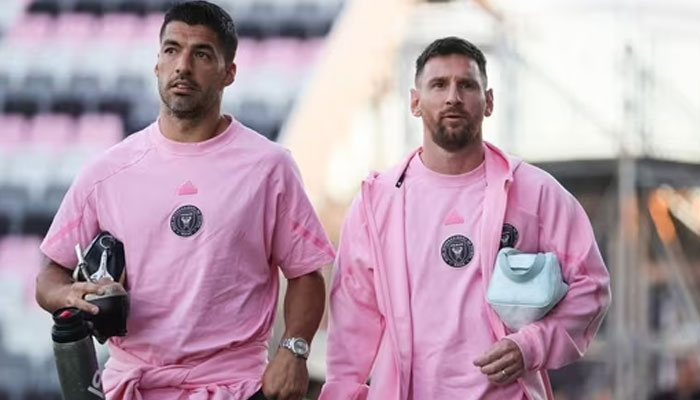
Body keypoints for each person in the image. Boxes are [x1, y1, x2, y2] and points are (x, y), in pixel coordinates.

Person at [35, 2, 334, 399]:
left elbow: (306, 275)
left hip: (235, 387)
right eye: (172, 50)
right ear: (157, 63)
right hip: (132, 386)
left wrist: (294, 350)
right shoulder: (107, 172)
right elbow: (49, 278)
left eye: (202, 54)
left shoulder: (269, 166)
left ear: (229, 73)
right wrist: (70, 294)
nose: (183, 65)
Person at [319, 37, 611, 400]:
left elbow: (592, 286)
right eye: (438, 85)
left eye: (467, 85)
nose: (452, 97)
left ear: (488, 102)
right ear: (414, 101)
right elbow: (352, 321)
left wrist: (531, 345)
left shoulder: (536, 192)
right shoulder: (376, 203)